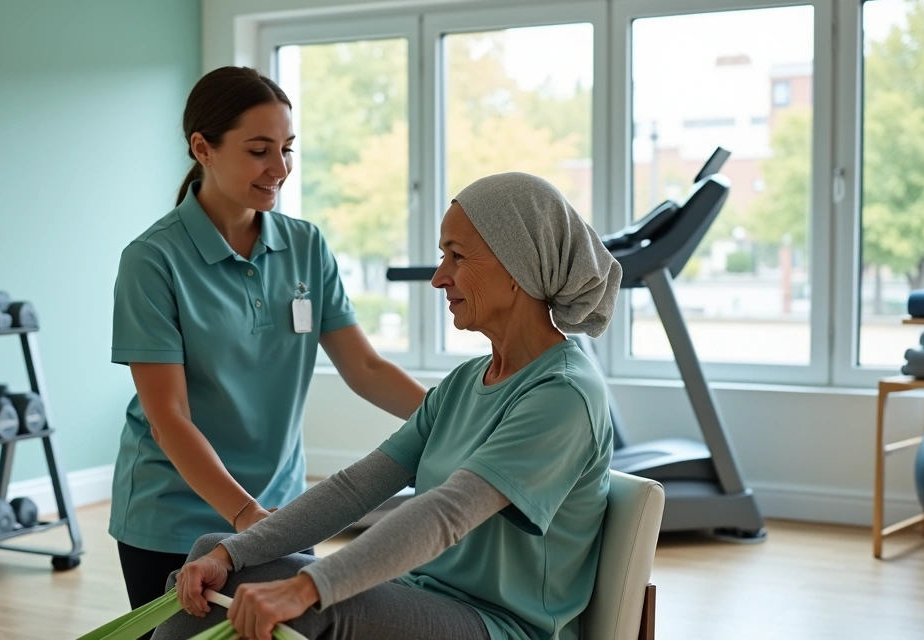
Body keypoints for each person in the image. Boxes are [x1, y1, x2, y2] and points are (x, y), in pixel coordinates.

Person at [151, 172, 625, 640]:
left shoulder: (564, 394)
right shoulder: (465, 382)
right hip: (423, 593)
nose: (440, 278)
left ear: (520, 266)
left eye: (457, 256)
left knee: (307, 605)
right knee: (213, 552)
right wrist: (232, 554)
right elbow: (354, 488)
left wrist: (307, 587)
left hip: (499, 625)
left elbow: (447, 513)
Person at [109, 66, 428, 628]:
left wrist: (458, 417)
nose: (279, 168)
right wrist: (245, 517)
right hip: (174, 515)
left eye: (287, 149)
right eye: (259, 150)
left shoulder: (305, 245)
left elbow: (365, 366)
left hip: (280, 511)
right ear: (202, 148)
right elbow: (169, 418)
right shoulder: (153, 261)